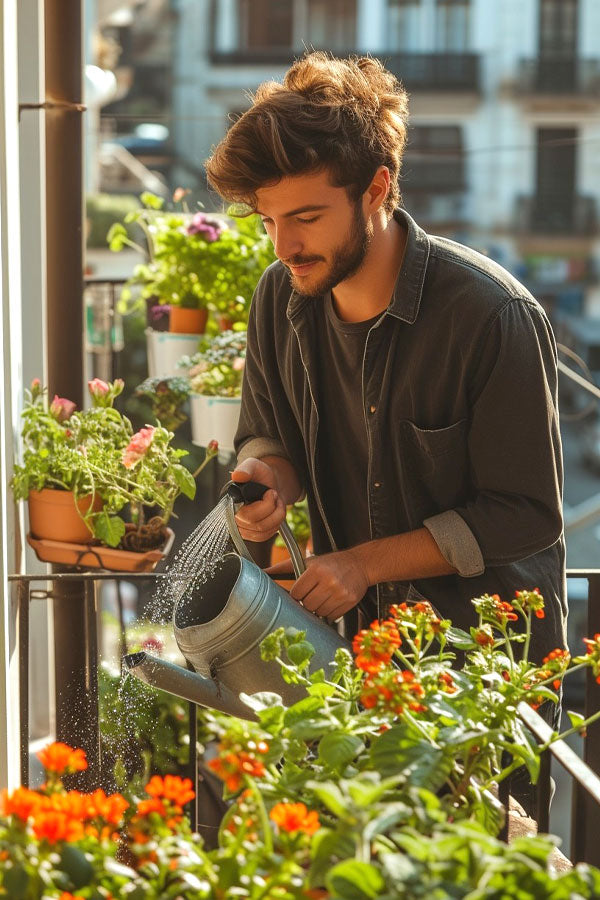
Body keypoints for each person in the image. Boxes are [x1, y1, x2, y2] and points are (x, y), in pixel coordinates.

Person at [204, 51, 566, 678]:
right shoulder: (278, 294)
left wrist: (364, 563)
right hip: (352, 667)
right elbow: (267, 432)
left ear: (375, 189)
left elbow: (526, 515)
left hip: (486, 681)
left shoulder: (491, 314)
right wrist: (270, 476)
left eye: (307, 218)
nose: (284, 246)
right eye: (269, 221)